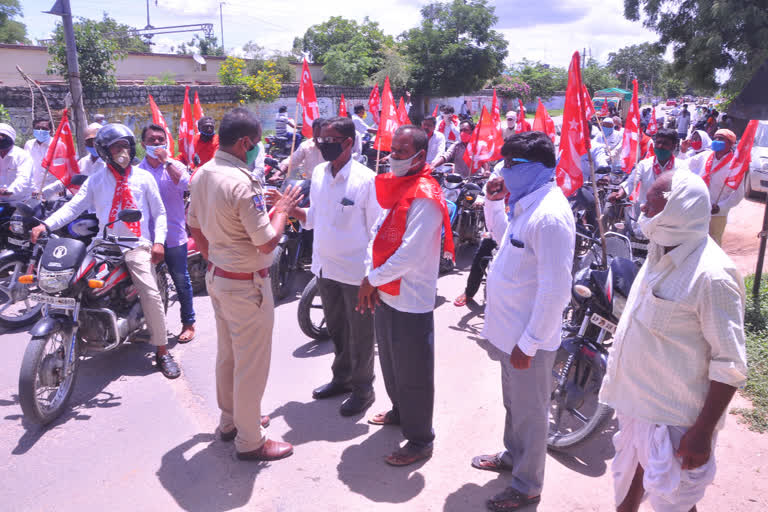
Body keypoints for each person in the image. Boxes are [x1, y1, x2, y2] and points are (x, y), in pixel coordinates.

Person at [599, 170, 747, 512]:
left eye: (653, 203)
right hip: (638, 404)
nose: (644, 209)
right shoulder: (659, 249)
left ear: (679, 209)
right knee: (631, 486)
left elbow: (731, 364)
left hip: (678, 421)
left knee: (674, 504)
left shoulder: (712, 276)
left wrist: (702, 432)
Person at [187, 107, 300, 461]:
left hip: (219, 278)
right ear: (245, 143)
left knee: (229, 357)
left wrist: (217, 260)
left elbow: (194, 229)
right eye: (257, 144)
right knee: (251, 363)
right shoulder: (241, 181)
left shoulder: (203, 172)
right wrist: (281, 208)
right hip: (245, 284)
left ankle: (232, 420)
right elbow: (266, 242)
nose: (258, 149)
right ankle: (251, 440)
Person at [472, 132, 575, 512]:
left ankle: (527, 484)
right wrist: (494, 204)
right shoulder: (525, 203)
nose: (504, 169)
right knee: (514, 403)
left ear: (539, 168)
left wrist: (529, 342)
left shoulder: (550, 216)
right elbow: (506, 246)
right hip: (509, 332)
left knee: (531, 413)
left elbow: (554, 291)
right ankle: (513, 457)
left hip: (527, 339)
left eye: (513, 163)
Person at [30, 124, 179, 379]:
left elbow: (160, 213)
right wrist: (45, 224)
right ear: (105, 152)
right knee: (71, 281)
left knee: (150, 292)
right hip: (101, 244)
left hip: (135, 245)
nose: (122, 151)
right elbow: (73, 208)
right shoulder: (96, 179)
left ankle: (162, 351)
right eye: (115, 147)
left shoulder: (144, 178)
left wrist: (159, 242)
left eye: (125, 145)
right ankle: (74, 329)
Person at [358, 125, 454, 466]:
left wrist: (372, 279)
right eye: (392, 150)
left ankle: (420, 439)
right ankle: (401, 411)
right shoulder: (397, 188)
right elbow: (376, 233)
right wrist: (373, 277)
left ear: (419, 156)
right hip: (385, 292)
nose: (393, 157)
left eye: (400, 152)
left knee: (413, 371)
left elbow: (410, 254)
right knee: (391, 362)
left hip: (410, 298)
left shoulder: (425, 195)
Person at [273, 116, 381, 416]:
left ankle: (363, 389)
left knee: (361, 336)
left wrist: (371, 277)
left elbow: (377, 231)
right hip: (324, 268)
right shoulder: (319, 172)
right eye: (320, 139)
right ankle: (342, 378)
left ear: (348, 143)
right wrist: (293, 210)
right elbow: (314, 219)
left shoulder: (366, 179)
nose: (322, 144)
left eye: (330, 140)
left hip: (356, 273)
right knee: (336, 330)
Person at [138, 124, 196, 344]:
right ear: (142, 144)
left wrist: (166, 161)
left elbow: (186, 184)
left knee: (181, 281)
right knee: (146, 286)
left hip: (173, 236)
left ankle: (188, 323)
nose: (156, 143)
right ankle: (150, 326)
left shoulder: (175, 166)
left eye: (160, 139)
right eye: (151, 140)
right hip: (145, 238)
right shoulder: (137, 171)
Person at [608, 128, 688, 226]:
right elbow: (631, 182)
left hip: (669, 216)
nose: (660, 146)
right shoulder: (644, 164)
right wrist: (620, 194)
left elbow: (684, 191)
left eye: (665, 143)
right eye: (658, 142)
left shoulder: (682, 167)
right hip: (643, 214)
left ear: (674, 146)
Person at [687, 129, 743, 245]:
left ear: (730, 144)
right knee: (692, 242)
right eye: (716, 138)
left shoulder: (735, 165)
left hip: (717, 214)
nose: (717, 140)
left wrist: (720, 207)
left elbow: (738, 194)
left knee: (713, 244)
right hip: (697, 209)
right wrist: (682, 152)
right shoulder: (705, 156)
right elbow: (683, 166)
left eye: (721, 139)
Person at [24, 118, 64, 194]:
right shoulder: (29, 144)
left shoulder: (58, 145)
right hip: (32, 190)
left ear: (51, 131)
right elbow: (26, 168)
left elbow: (62, 172)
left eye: (44, 129)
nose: (40, 131)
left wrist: (52, 189)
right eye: (37, 128)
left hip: (52, 191)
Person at [0, 123, 33, 201]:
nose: (0, 138)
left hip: (19, 201)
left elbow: (23, 178)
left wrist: (9, 191)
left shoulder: (22, 156)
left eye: (3, 135)